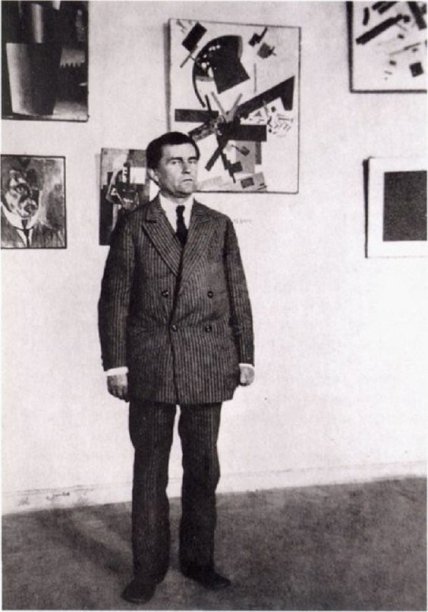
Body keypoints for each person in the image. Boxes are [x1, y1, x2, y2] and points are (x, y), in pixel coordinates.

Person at [98, 131, 255, 604]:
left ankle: (198, 561)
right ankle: (147, 570)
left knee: (203, 467)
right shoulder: (134, 225)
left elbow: (238, 293)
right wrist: (115, 365)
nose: (187, 169)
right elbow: (115, 299)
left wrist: (245, 354)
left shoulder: (219, 225)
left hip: (208, 359)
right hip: (152, 363)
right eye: (175, 161)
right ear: (154, 172)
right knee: (150, 470)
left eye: (192, 159)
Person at [1, 168, 64, 249]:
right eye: (20, 189)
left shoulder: (54, 236)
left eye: (35, 188)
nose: (31, 194)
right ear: (2, 194)